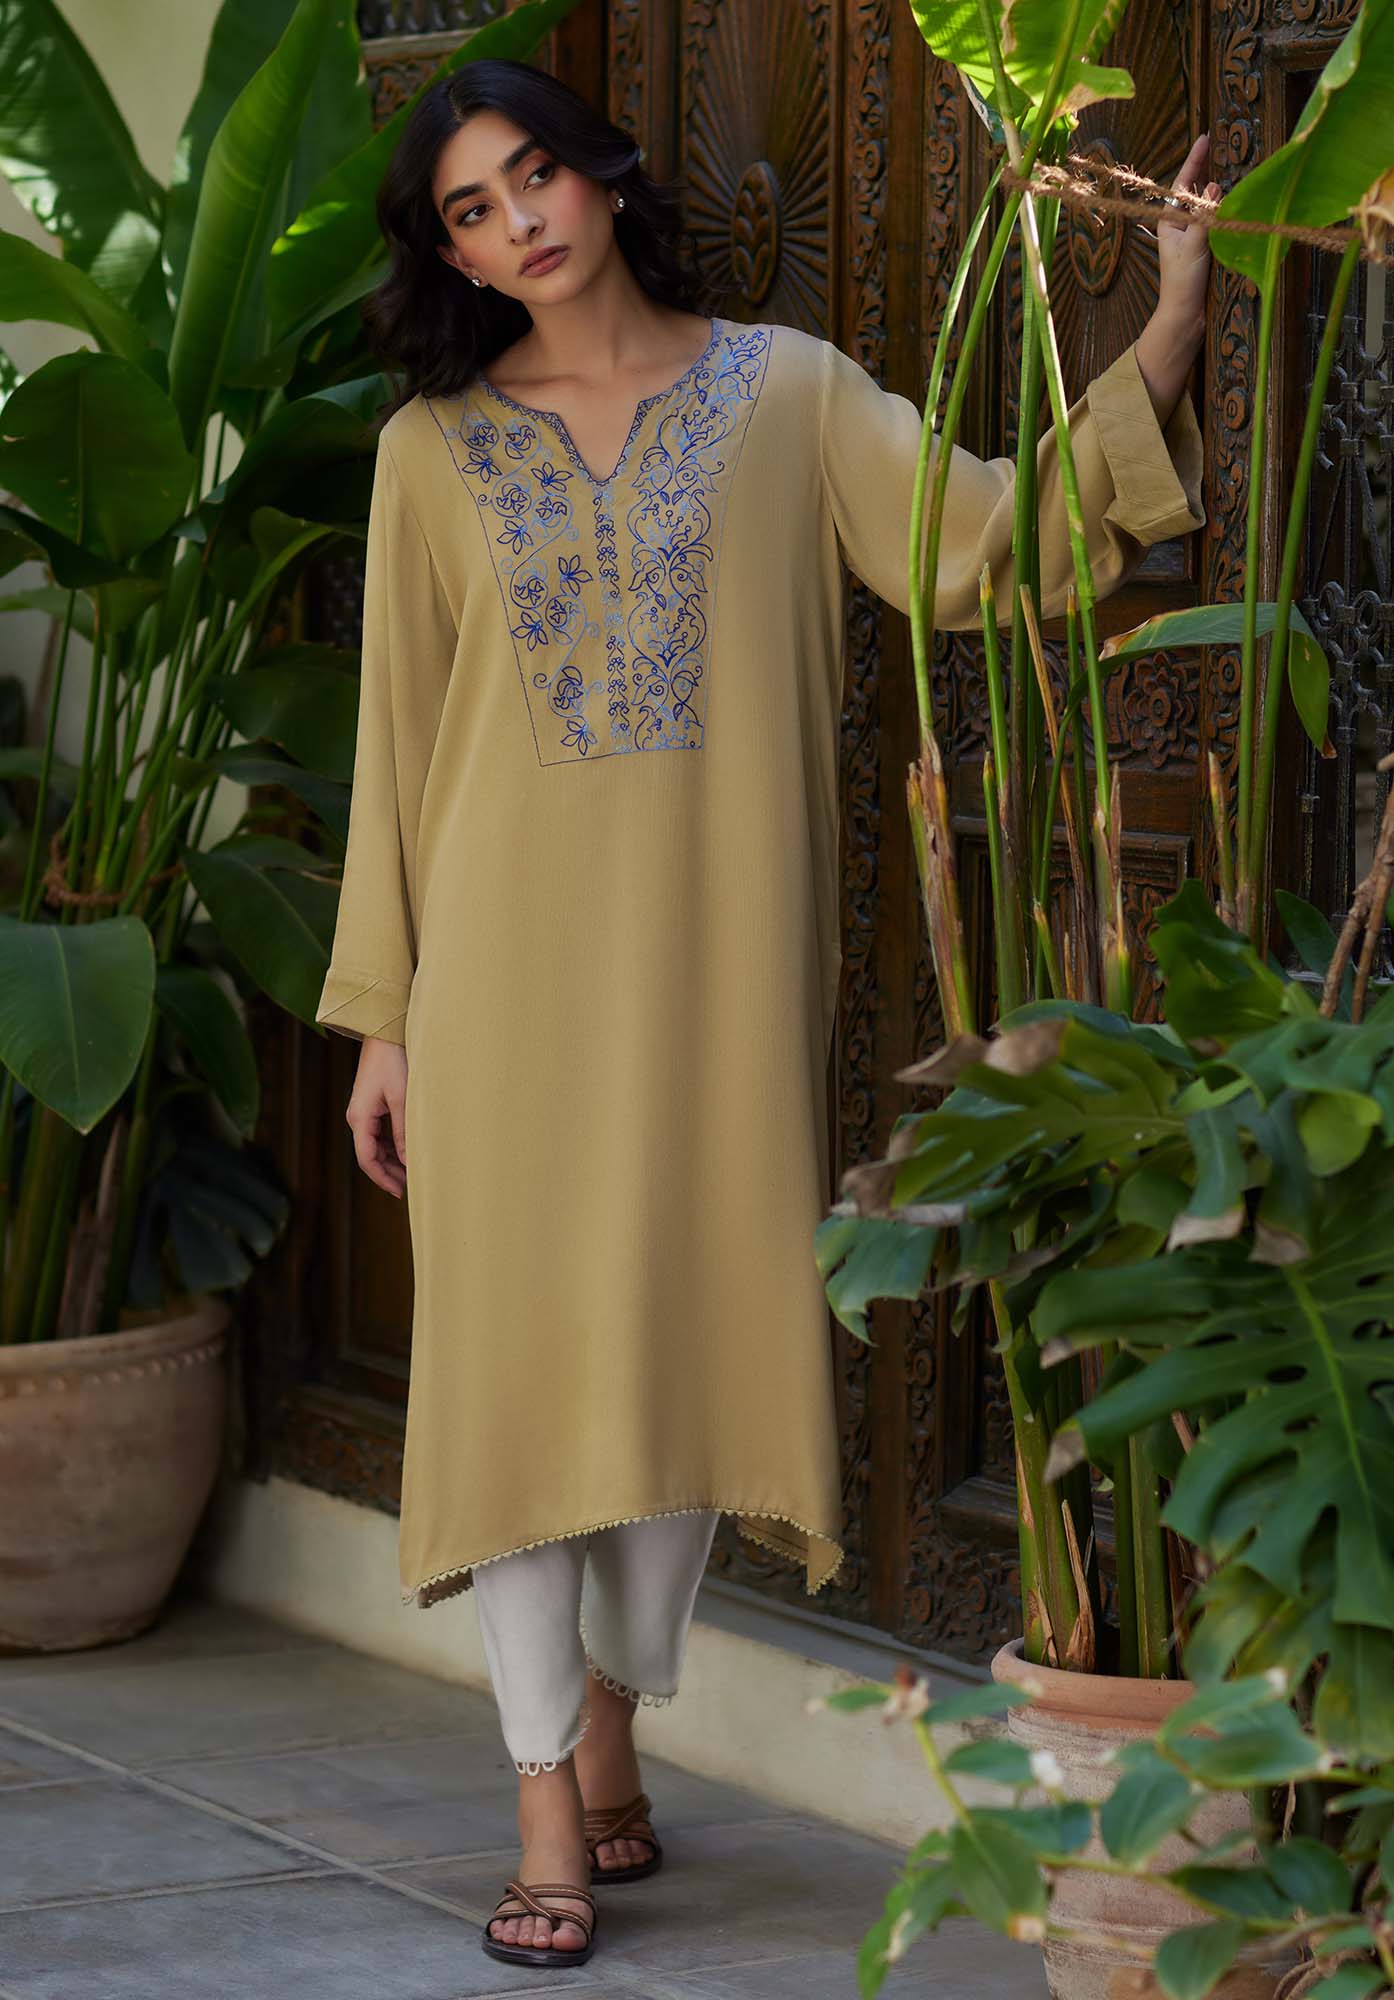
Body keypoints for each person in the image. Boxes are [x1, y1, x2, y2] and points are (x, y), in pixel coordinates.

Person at [315, 55, 1216, 1974]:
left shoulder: (790, 395)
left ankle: (615, 1724)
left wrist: (1168, 333)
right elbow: (396, 751)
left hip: (714, 980)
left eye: (534, 175)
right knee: (511, 1387)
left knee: (694, 1359)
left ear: (603, 174)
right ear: (452, 252)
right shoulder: (427, 455)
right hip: (494, 992)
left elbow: (986, 542)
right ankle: (544, 1807)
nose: (517, 224)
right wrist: (384, 1020)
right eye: (472, 210)